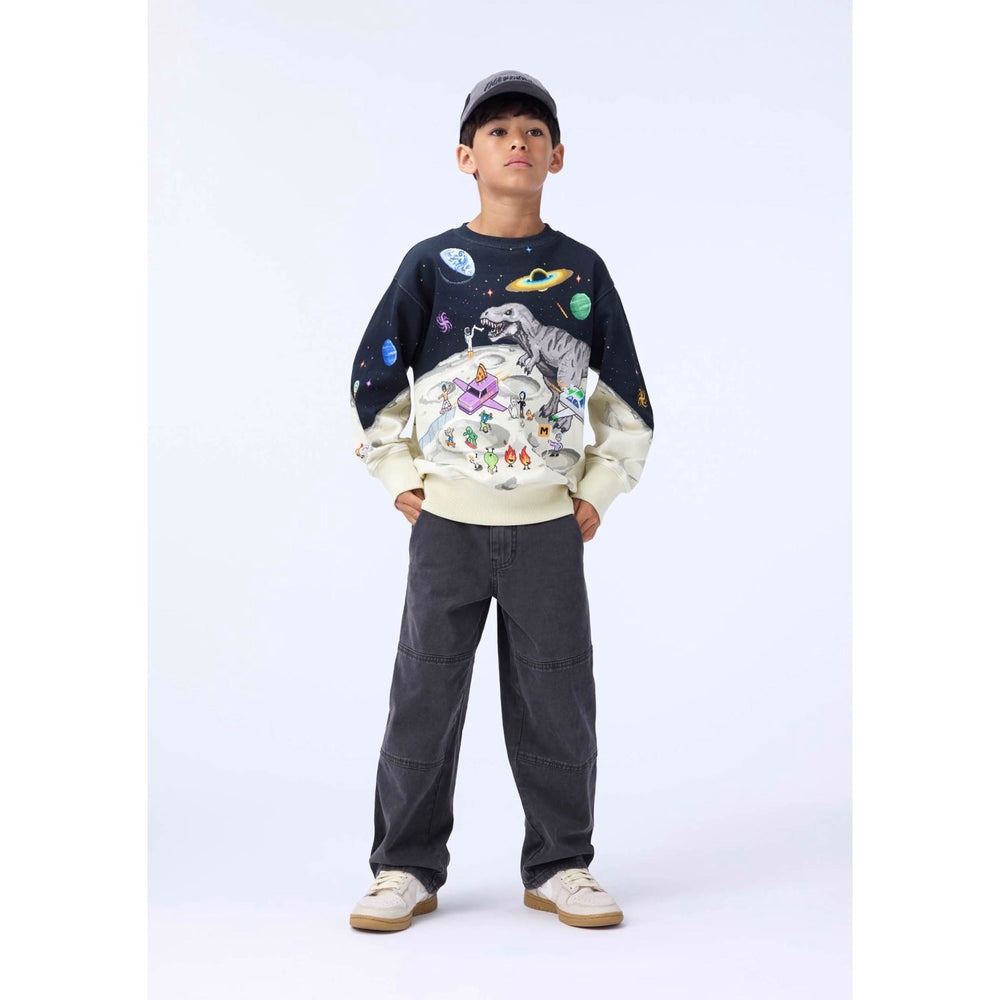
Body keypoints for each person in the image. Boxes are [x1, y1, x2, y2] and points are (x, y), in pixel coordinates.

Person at [347, 70, 654, 932]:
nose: (515, 141)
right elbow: (375, 374)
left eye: (532, 131)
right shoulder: (430, 265)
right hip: (446, 525)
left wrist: (597, 489)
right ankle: (404, 865)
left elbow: (625, 397)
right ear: (465, 157)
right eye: (496, 130)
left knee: (559, 700)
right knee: (423, 695)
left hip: (548, 531)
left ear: (556, 156)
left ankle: (561, 864)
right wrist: (399, 476)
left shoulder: (582, 271)